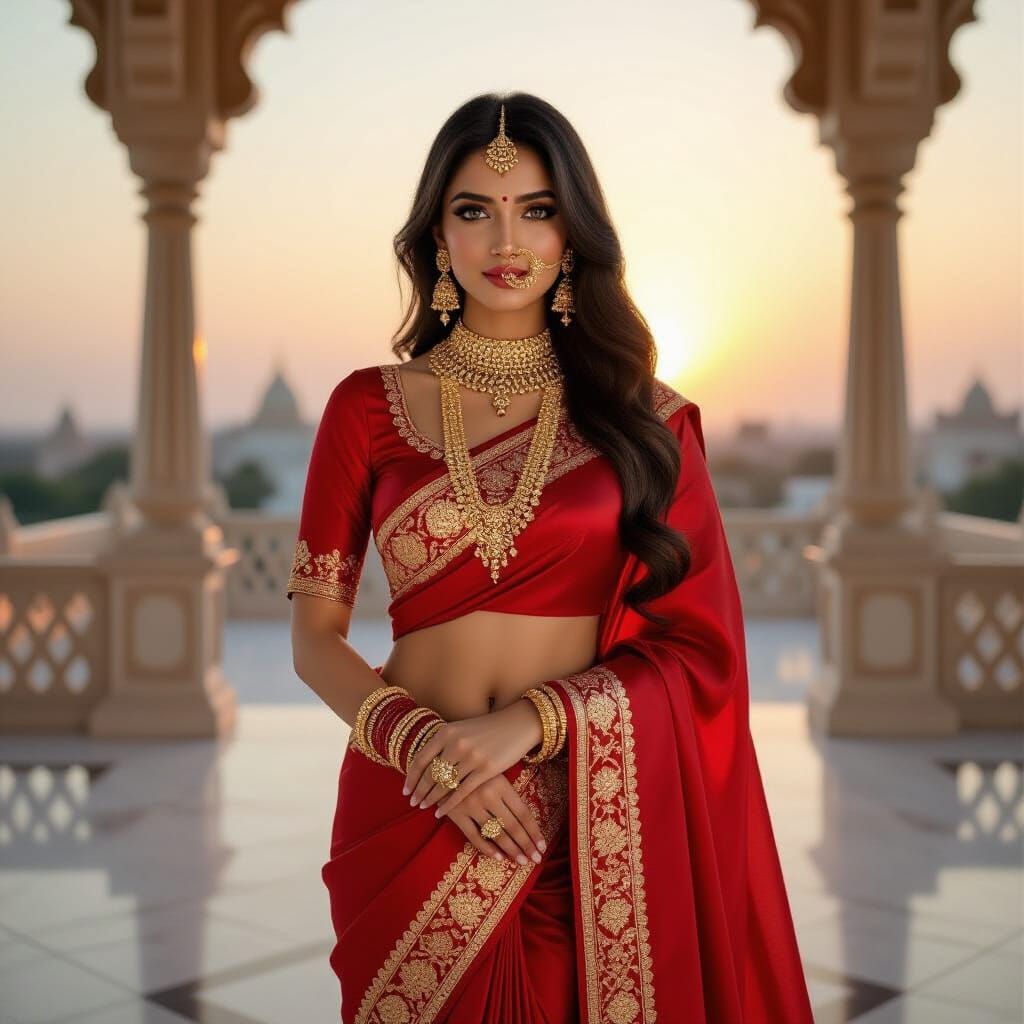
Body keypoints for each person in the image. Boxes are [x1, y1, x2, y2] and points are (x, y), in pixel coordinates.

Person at [288, 93, 814, 1024]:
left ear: (573, 234)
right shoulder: (364, 408)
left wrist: (529, 725)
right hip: (408, 794)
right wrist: (428, 751)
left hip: (570, 812)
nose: (506, 237)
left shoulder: (646, 422)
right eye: (473, 209)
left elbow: (701, 654)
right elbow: (315, 637)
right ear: (435, 235)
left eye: (536, 208)